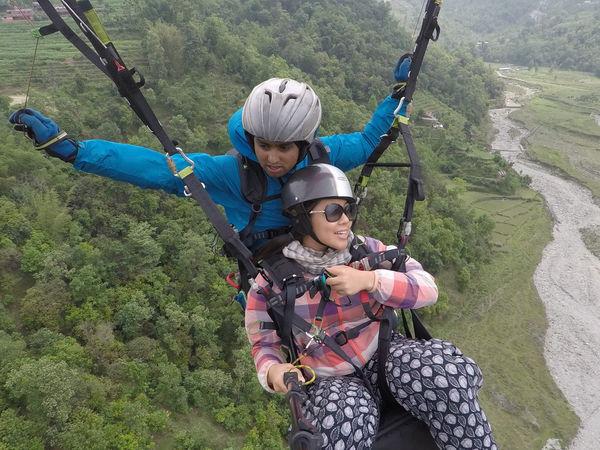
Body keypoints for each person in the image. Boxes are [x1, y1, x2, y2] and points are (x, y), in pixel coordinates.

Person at [8, 65, 410, 252]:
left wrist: (396, 94)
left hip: (323, 253)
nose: (271, 157)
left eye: (283, 148)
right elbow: (156, 169)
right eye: (262, 145)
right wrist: (75, 152)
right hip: (270, 268)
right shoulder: (232, 174)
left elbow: (369, 139)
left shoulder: (326, 155)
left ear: (304, 144)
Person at [245, 164, 497, 450]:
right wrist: (273, 372)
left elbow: (427, 288)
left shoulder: (368, 252)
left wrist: (370, 280)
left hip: (387, 355)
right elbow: (263, 343)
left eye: (349, 210)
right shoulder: (271, 283)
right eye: (333, 212)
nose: (345, 221)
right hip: (333, 379)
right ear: (302, 217)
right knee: (338, 430)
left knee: (444, 379)